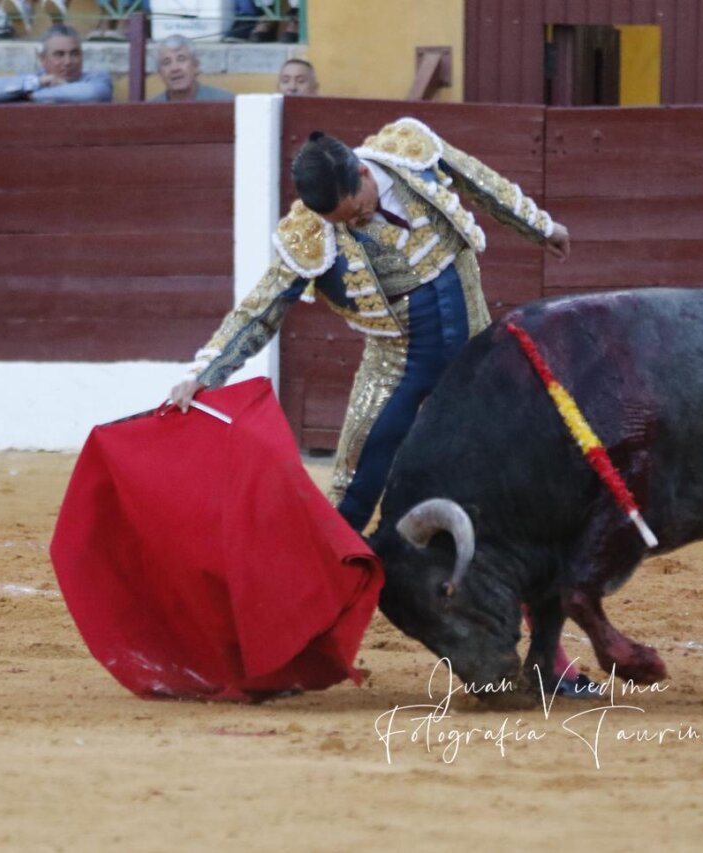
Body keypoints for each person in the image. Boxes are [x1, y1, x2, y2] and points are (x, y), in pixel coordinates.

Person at [169, 118, 592, 694]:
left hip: (475, 365)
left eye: (358, 209)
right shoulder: (309, 233)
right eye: (342, 222)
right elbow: (259, 309)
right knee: (347, 504)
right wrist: (203, 373)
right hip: (396, 367)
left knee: (514, 505)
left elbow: (480, 180)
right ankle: (289, 649)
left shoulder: (408, 152)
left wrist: (540, 226)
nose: (357, 221)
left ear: (364, 173)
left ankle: (551, 664)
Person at [0, 24, 113, 103]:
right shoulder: (33, 81)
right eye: (59, 55)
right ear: (42, 59)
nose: (68, 62)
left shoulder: (96, 79)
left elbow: (94, 93)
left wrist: (36, 96)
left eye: (74, 54)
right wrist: (38, 83)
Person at [148, 34, 233, 102]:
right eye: (166, 62)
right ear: (160, 73)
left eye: (181, 59)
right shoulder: (150, 110)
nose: (174, 68)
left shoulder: (225, 102)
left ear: (196, 66)